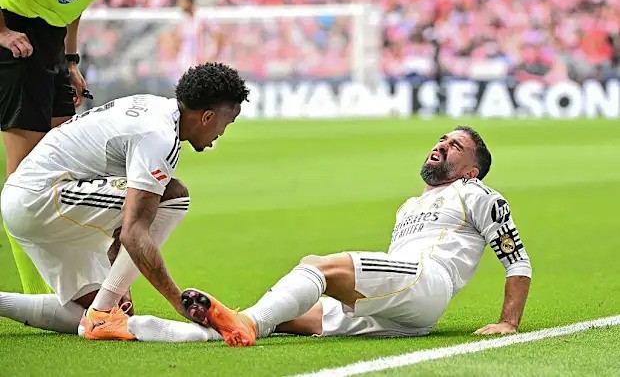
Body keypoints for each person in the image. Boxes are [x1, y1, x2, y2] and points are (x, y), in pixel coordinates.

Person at [180, 126, 532, 347]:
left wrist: (508, 322)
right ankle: (188, 327)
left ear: (472, 171)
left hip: (428, 280)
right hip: (405, 307)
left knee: (317, 266)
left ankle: (245, 324)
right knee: (286, 315)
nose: (442, 144)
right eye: (443, 138)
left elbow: (517, 260)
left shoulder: (476, 193)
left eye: (456, 145)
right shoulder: (409, 206)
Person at [0, 62, 249, 340]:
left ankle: (84, 312)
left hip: (30, 199)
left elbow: (127, 219)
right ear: (207, 117)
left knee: (112, 313)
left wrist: (117, 270)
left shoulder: (155, 108)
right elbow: (133, 232)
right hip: (40, 196)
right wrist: (179, 301)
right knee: (173, 196)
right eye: (226, 123)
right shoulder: (159, 136)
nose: (221, 133)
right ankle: (101, 313)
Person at [0, 0, 124, 295]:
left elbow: (76, 2)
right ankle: (35, 298)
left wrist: (70, 60)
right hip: (19, 33)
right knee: (22, 182)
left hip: (52, 42)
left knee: (61, 172)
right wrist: (1, 31)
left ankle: (72, 289)